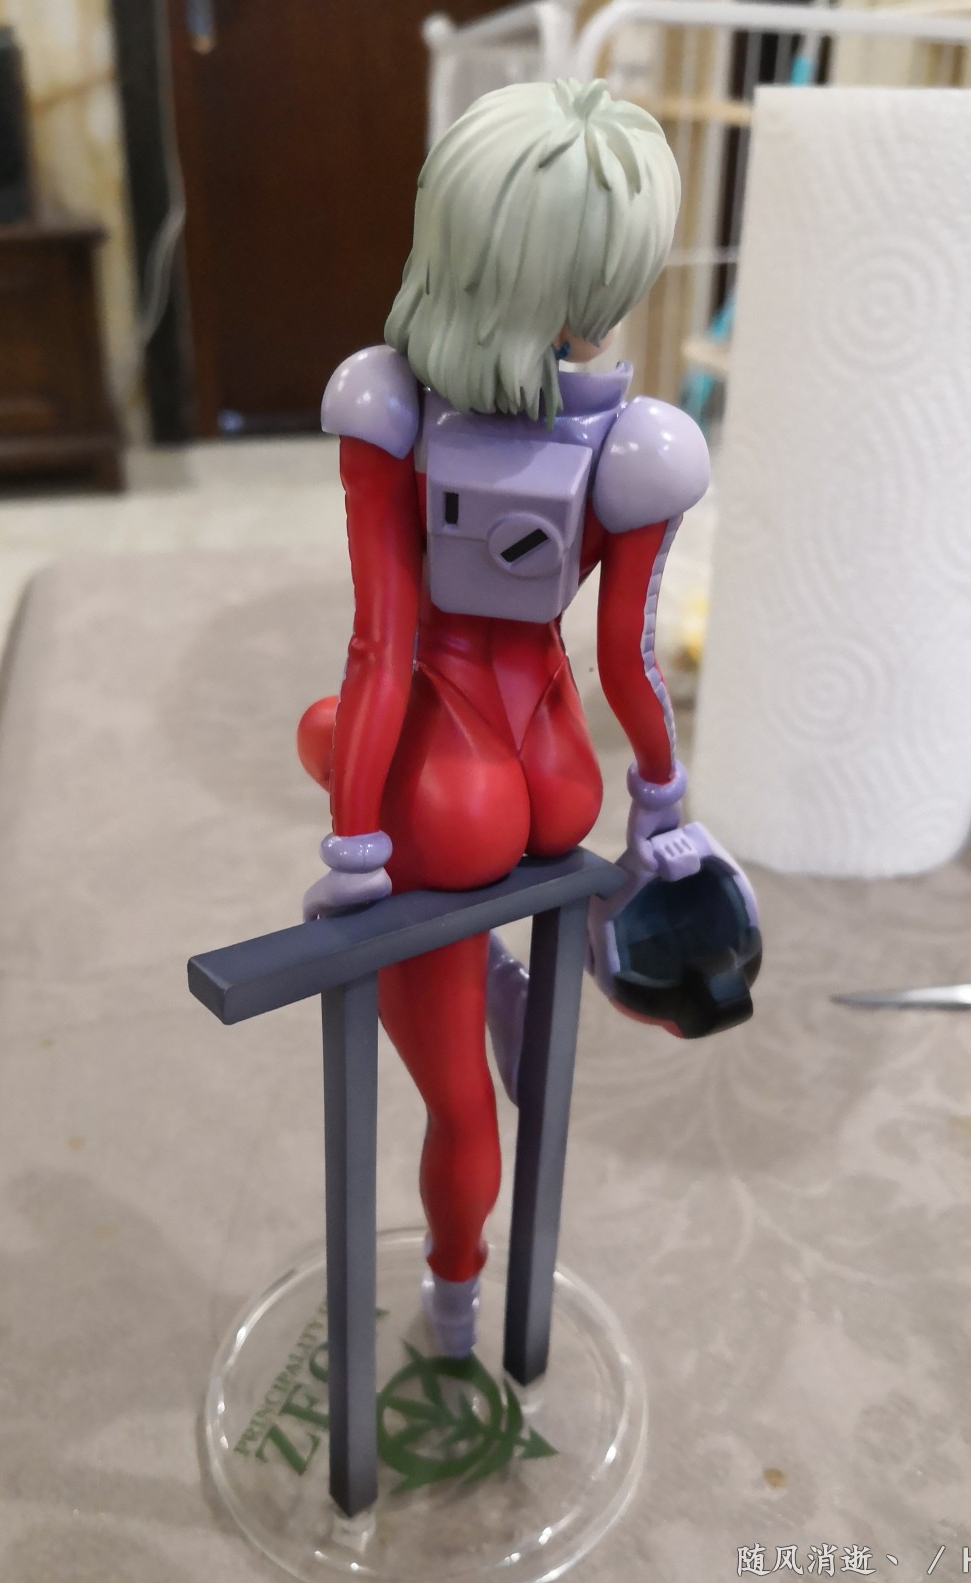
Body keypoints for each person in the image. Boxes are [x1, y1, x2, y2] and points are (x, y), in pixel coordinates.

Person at [297, 78, 755, 1358]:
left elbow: (383, 644)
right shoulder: (640, 442)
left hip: (443, 787)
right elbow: (629, 665)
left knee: (460, 1107)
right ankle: (527, 970)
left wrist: (354, 845)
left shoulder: (388, 408)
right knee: (341, 732)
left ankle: (452, 1310)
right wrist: (661, 806)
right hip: (557, 766)